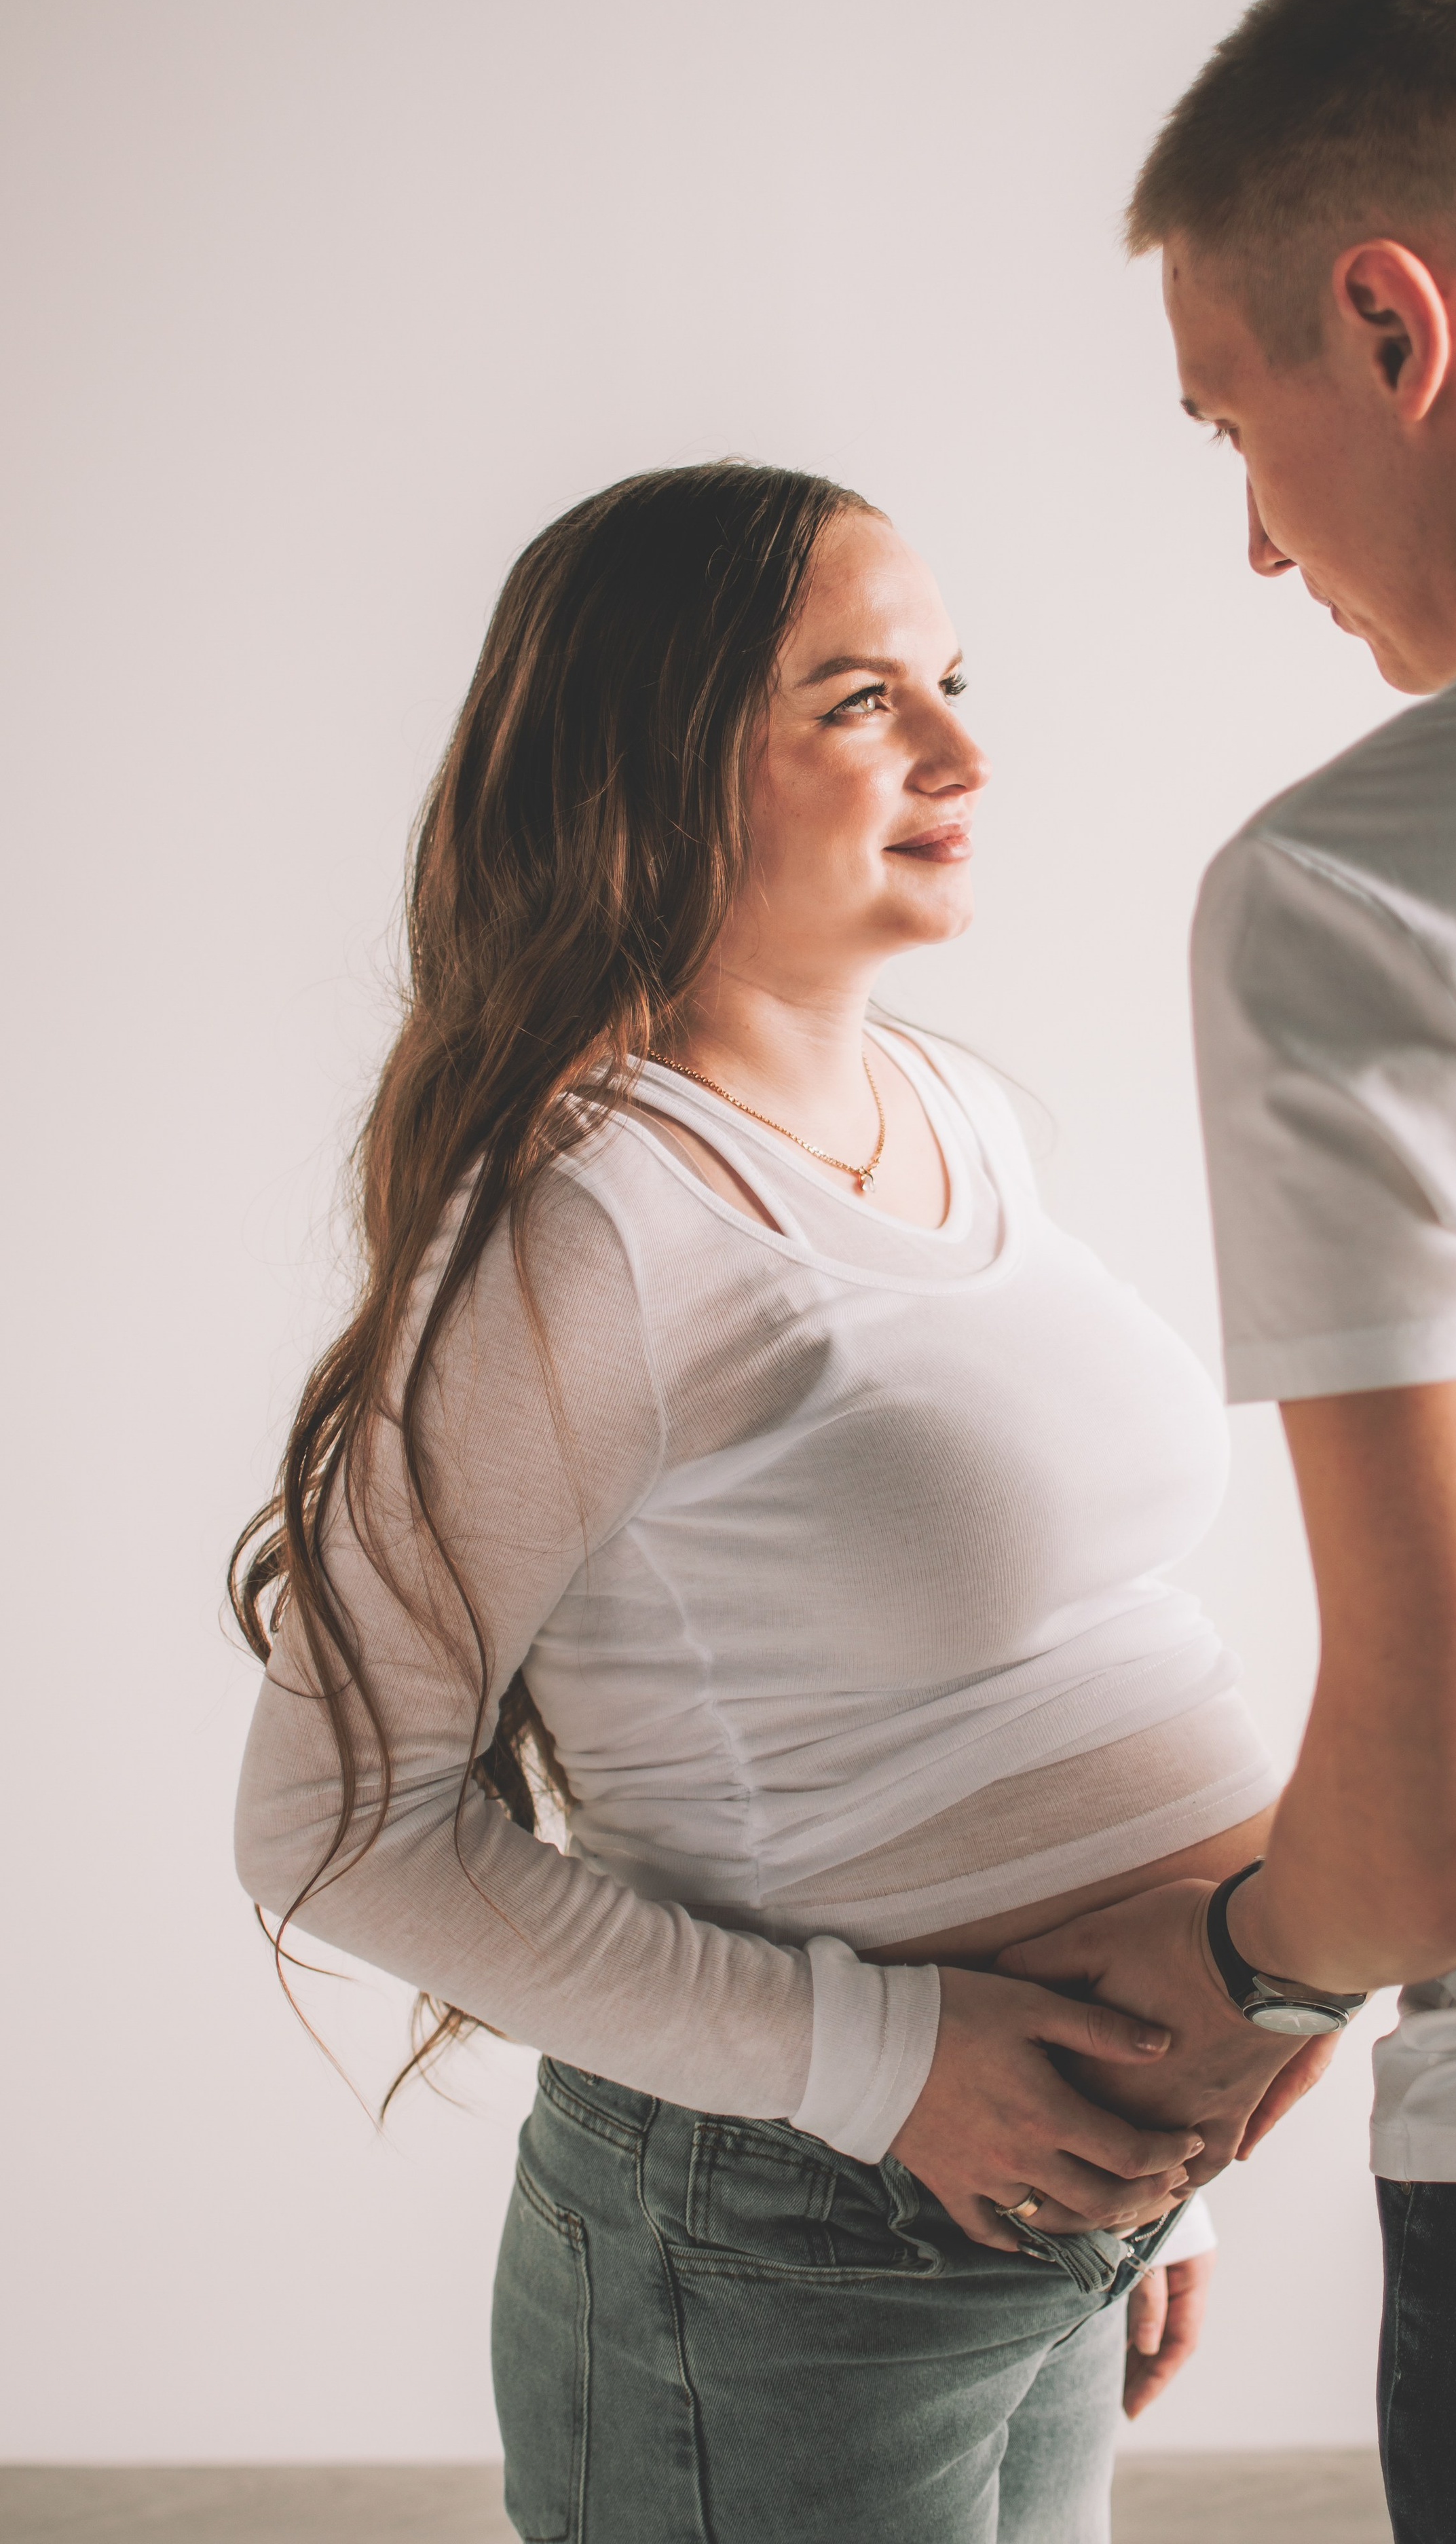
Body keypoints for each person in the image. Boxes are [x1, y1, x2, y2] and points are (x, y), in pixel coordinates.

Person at [231, 460, 1300, 2544]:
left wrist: (1162, 2169)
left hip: (1039, 2204)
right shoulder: (584, 1223)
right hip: (792, 2233)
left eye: (956, 682)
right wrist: (883, 2065)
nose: (962, 752)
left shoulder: (951, 1107)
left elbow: (1056, 1650)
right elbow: (332, 1826)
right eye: (862, 699)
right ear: (655, 760)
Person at [1001, 0, 1456, 2539]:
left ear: (1391, 325)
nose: (1252, 539)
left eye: (1237, 422)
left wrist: (1231, 1971)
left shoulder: (1368, 892)